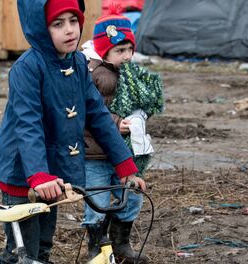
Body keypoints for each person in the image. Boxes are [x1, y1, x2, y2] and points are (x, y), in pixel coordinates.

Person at [0, 1, 146, 263]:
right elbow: (28, 124)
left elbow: (98, 115)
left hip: (52, 175)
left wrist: (124, 164)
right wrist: (38, 175)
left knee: (43, 245)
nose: (69, 31)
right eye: (58, 24)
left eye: (73, 21)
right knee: (23, 252)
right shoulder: (27, 68)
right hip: (24, 173)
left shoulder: (78, 63)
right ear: (41, 28)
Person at [83, 12, 163, 263]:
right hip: (95, 154)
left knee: (131, 196)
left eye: (130, 49)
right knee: (97, 202)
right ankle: (96, 247)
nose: (127, 56)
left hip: (124, 155)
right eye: (120, 50)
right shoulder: (92, 75)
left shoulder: (130, 76)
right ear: (103, 51)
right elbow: (88, 113)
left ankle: (121, 244)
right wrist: (116, 123)